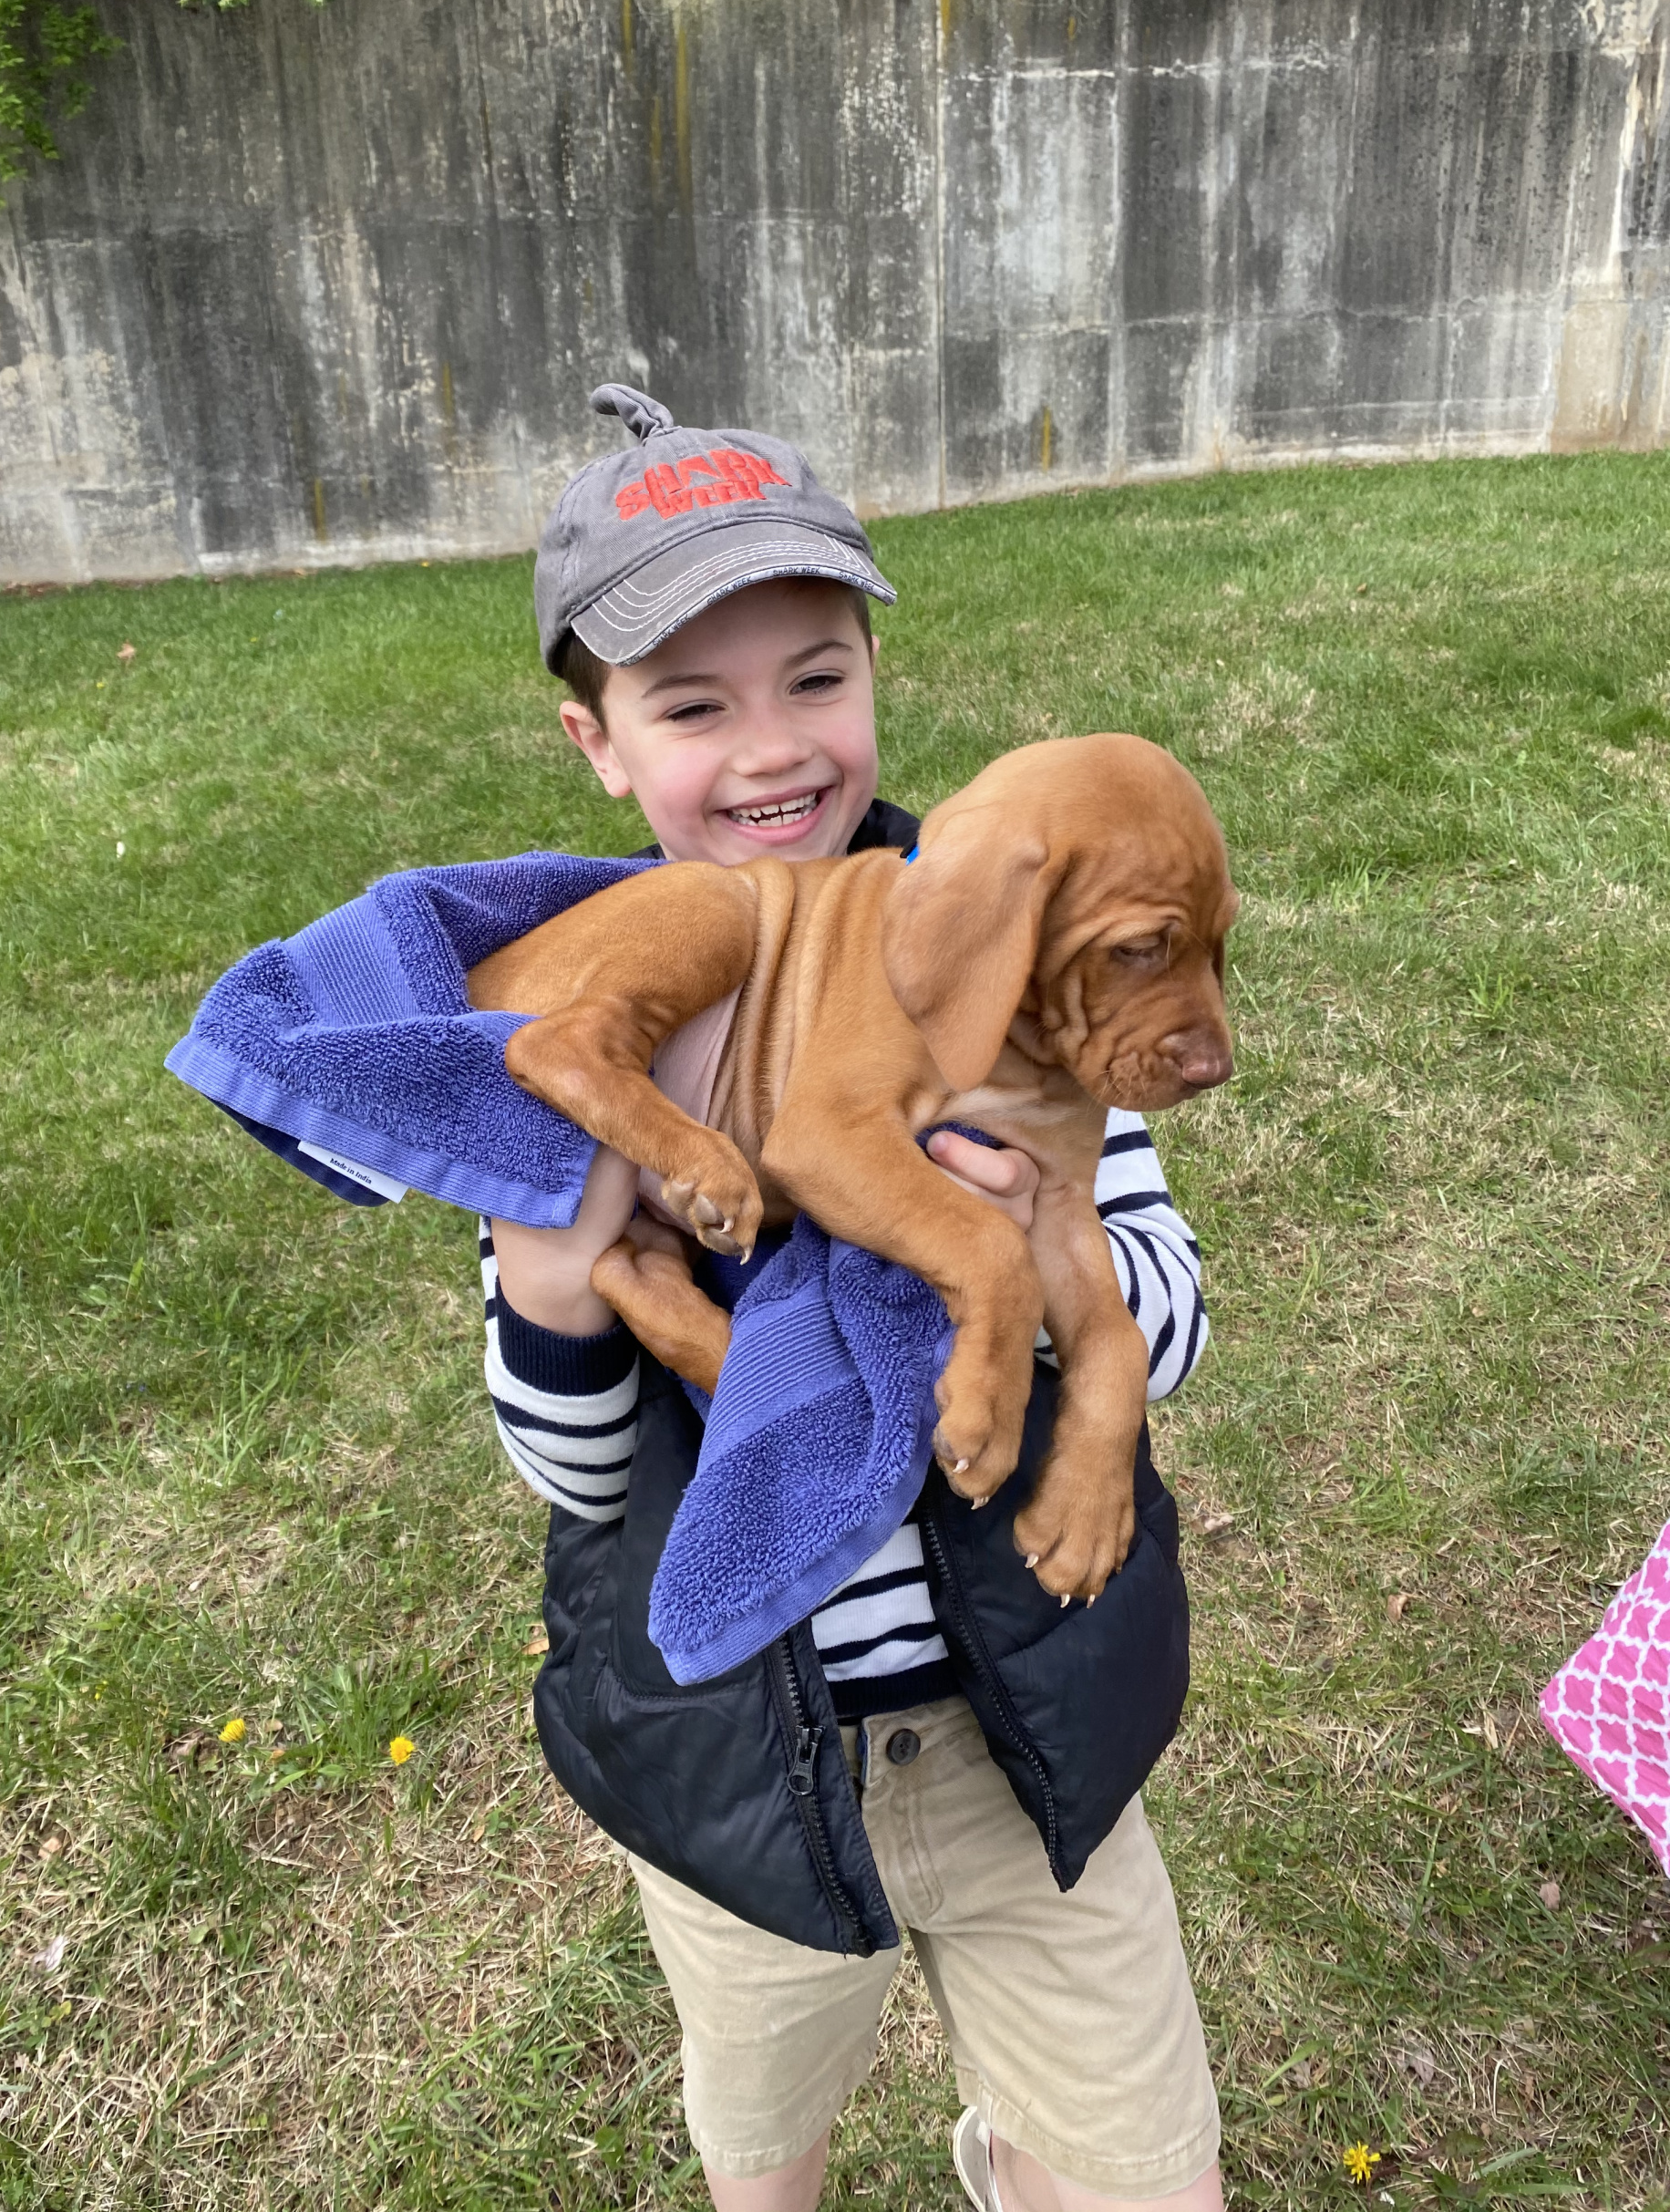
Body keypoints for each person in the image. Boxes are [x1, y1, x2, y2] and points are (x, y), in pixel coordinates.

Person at [479, 384, 1224, 2212]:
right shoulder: (601, 1026)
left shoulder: (1012, 937)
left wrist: (1052, 1282)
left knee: (1144, 2172)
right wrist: (558, 1282)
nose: (771, 749)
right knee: (766, 2150)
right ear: (597, 742)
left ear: (876, 667)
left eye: (815, 676)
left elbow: (1165, 1292)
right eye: (693, 705)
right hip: (743, 1760)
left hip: (1025, 1733)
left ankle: (1024, 2152)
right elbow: (566, 1474)